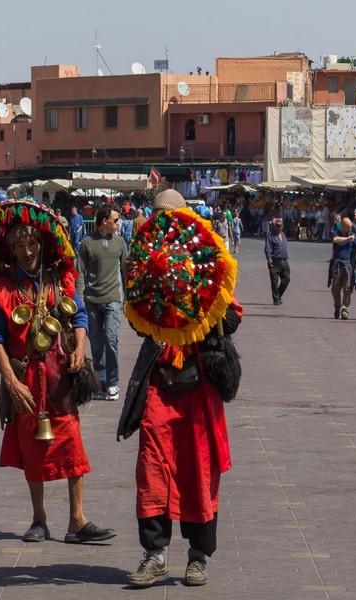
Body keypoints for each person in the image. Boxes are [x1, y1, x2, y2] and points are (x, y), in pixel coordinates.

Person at [118, 189, 242, 588]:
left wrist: (204, 310)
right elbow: (137, 320)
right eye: (156, 217)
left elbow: (232, 314)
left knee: (198, 468)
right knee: (152, 467)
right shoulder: (144, 263)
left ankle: (198, 556)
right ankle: (154, 555)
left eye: (166, 218)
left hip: (199, 383)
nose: (160, 225)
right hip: (161, 382)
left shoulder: (208, 255)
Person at [0, 200, 115, 545]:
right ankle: (39, 519)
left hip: (60, 379)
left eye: (32, 244)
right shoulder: (5, 288)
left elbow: (80, 317)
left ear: (41, 244)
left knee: (73, 447)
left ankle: (77, 520)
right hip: (26, 380)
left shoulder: (58, 280)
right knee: (31, 449)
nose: (27, 251)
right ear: (11, 250)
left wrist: (81, 349)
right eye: (19, 246)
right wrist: (11, 382)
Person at [77, 205, 128, 401]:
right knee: (97, 343)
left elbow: (125, 272)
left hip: (113, 299)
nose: (118, 223)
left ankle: (113, 382)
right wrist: (79, 299)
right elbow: (80, 272)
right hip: (91, 300)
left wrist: (128, 299)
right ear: (104, 221)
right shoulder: (87, 243)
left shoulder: (120, 243)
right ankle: (102, 381)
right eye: (115, 220)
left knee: (111, 339)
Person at [330, 217, 356, 320]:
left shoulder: (353, 235)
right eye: (348, 228)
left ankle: (345, 310)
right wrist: (348, 239)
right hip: (337, 265)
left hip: (348, 265)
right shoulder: (336, 233)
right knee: (335, 289)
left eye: (350, 228)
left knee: (348, 289)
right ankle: (337, 306)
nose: (349, 230)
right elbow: (335, 240)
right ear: (343, 226)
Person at [265, 216, 290, 305]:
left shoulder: (283, 235)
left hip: (284, 261)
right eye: (277, 226)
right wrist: (269, 258)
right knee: (274, 282)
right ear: (274, 226)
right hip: (274, 262)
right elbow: (267, 248)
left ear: (282, 226)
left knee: (286, 279)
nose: (279, 227)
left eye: (280, 226)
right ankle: (276, 299)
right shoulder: (270, 235)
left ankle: (278, 295)